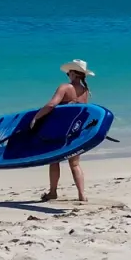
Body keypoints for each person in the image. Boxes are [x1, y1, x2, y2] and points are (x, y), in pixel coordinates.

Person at [33, 59, 94, 202]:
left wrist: (36, 117)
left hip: (60, 130)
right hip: (76, 130)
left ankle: (53, 192)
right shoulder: (85, 91)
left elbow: (51, 105)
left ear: (73, 73)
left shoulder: (65, 87)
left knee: (54, 160)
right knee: (75, 164)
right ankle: (81, 194)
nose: (68, 75)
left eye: (68, 73)